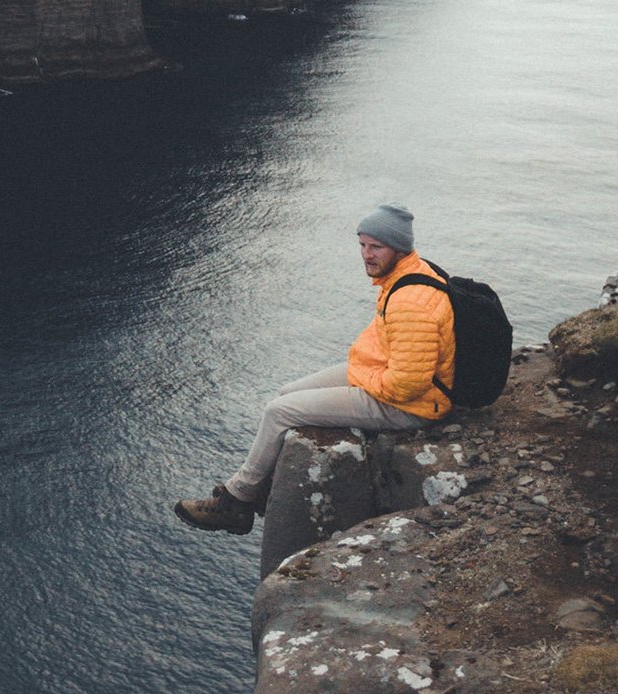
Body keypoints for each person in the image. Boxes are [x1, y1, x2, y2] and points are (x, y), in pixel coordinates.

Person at [175, 203, 455, 535]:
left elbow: (407, 385)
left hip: (411, 406)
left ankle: (237, 501)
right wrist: (361, 371)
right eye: (362, 245)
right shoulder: (405, 275)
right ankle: (265, 491)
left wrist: (359, 380)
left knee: (278, 412)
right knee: (286, 394)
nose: (366, 254)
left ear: (399, 247)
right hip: (385, 374)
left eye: (376, 246)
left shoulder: (410, 300)